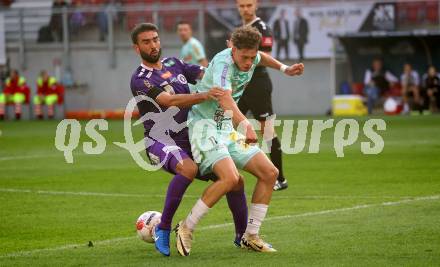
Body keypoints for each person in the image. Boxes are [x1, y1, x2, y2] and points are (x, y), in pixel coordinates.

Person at [174, 26, 304, 256]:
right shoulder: (223, 64)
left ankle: (250, 236)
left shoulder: (253, 56)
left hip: (225, 128)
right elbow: (224, 98)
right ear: (231, 48)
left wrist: (285, 68)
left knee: (270, 173)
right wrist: (245, 124)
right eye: (243, 56)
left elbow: (262, 58)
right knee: (231, 178)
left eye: (251, 56)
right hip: (205, 128)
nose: (248, 62)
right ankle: (186, 227)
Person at [129, 23, 248, 257]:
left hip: (191, 138)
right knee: (188, 169)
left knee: (235, 180)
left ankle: (242, 236)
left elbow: (207, 73)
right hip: (159, 140)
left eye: (155, 39)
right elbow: (169, 101)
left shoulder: (176, 64)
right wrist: (204, 95)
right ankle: (163, 228)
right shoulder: (140, 79)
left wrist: (229, 62)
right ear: (137, 48)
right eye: (146, 42)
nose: (153, 45)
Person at [235, 0, 288, 191]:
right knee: (226, 125)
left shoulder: (261, 27)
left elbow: (264, 57)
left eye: (249, 5)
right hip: (241, 85)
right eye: (242, 5)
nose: (245, 9)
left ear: (256, 5)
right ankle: (227, 173)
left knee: (267, 130)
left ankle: (280, 178)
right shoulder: (240, 28)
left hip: (258, 84)